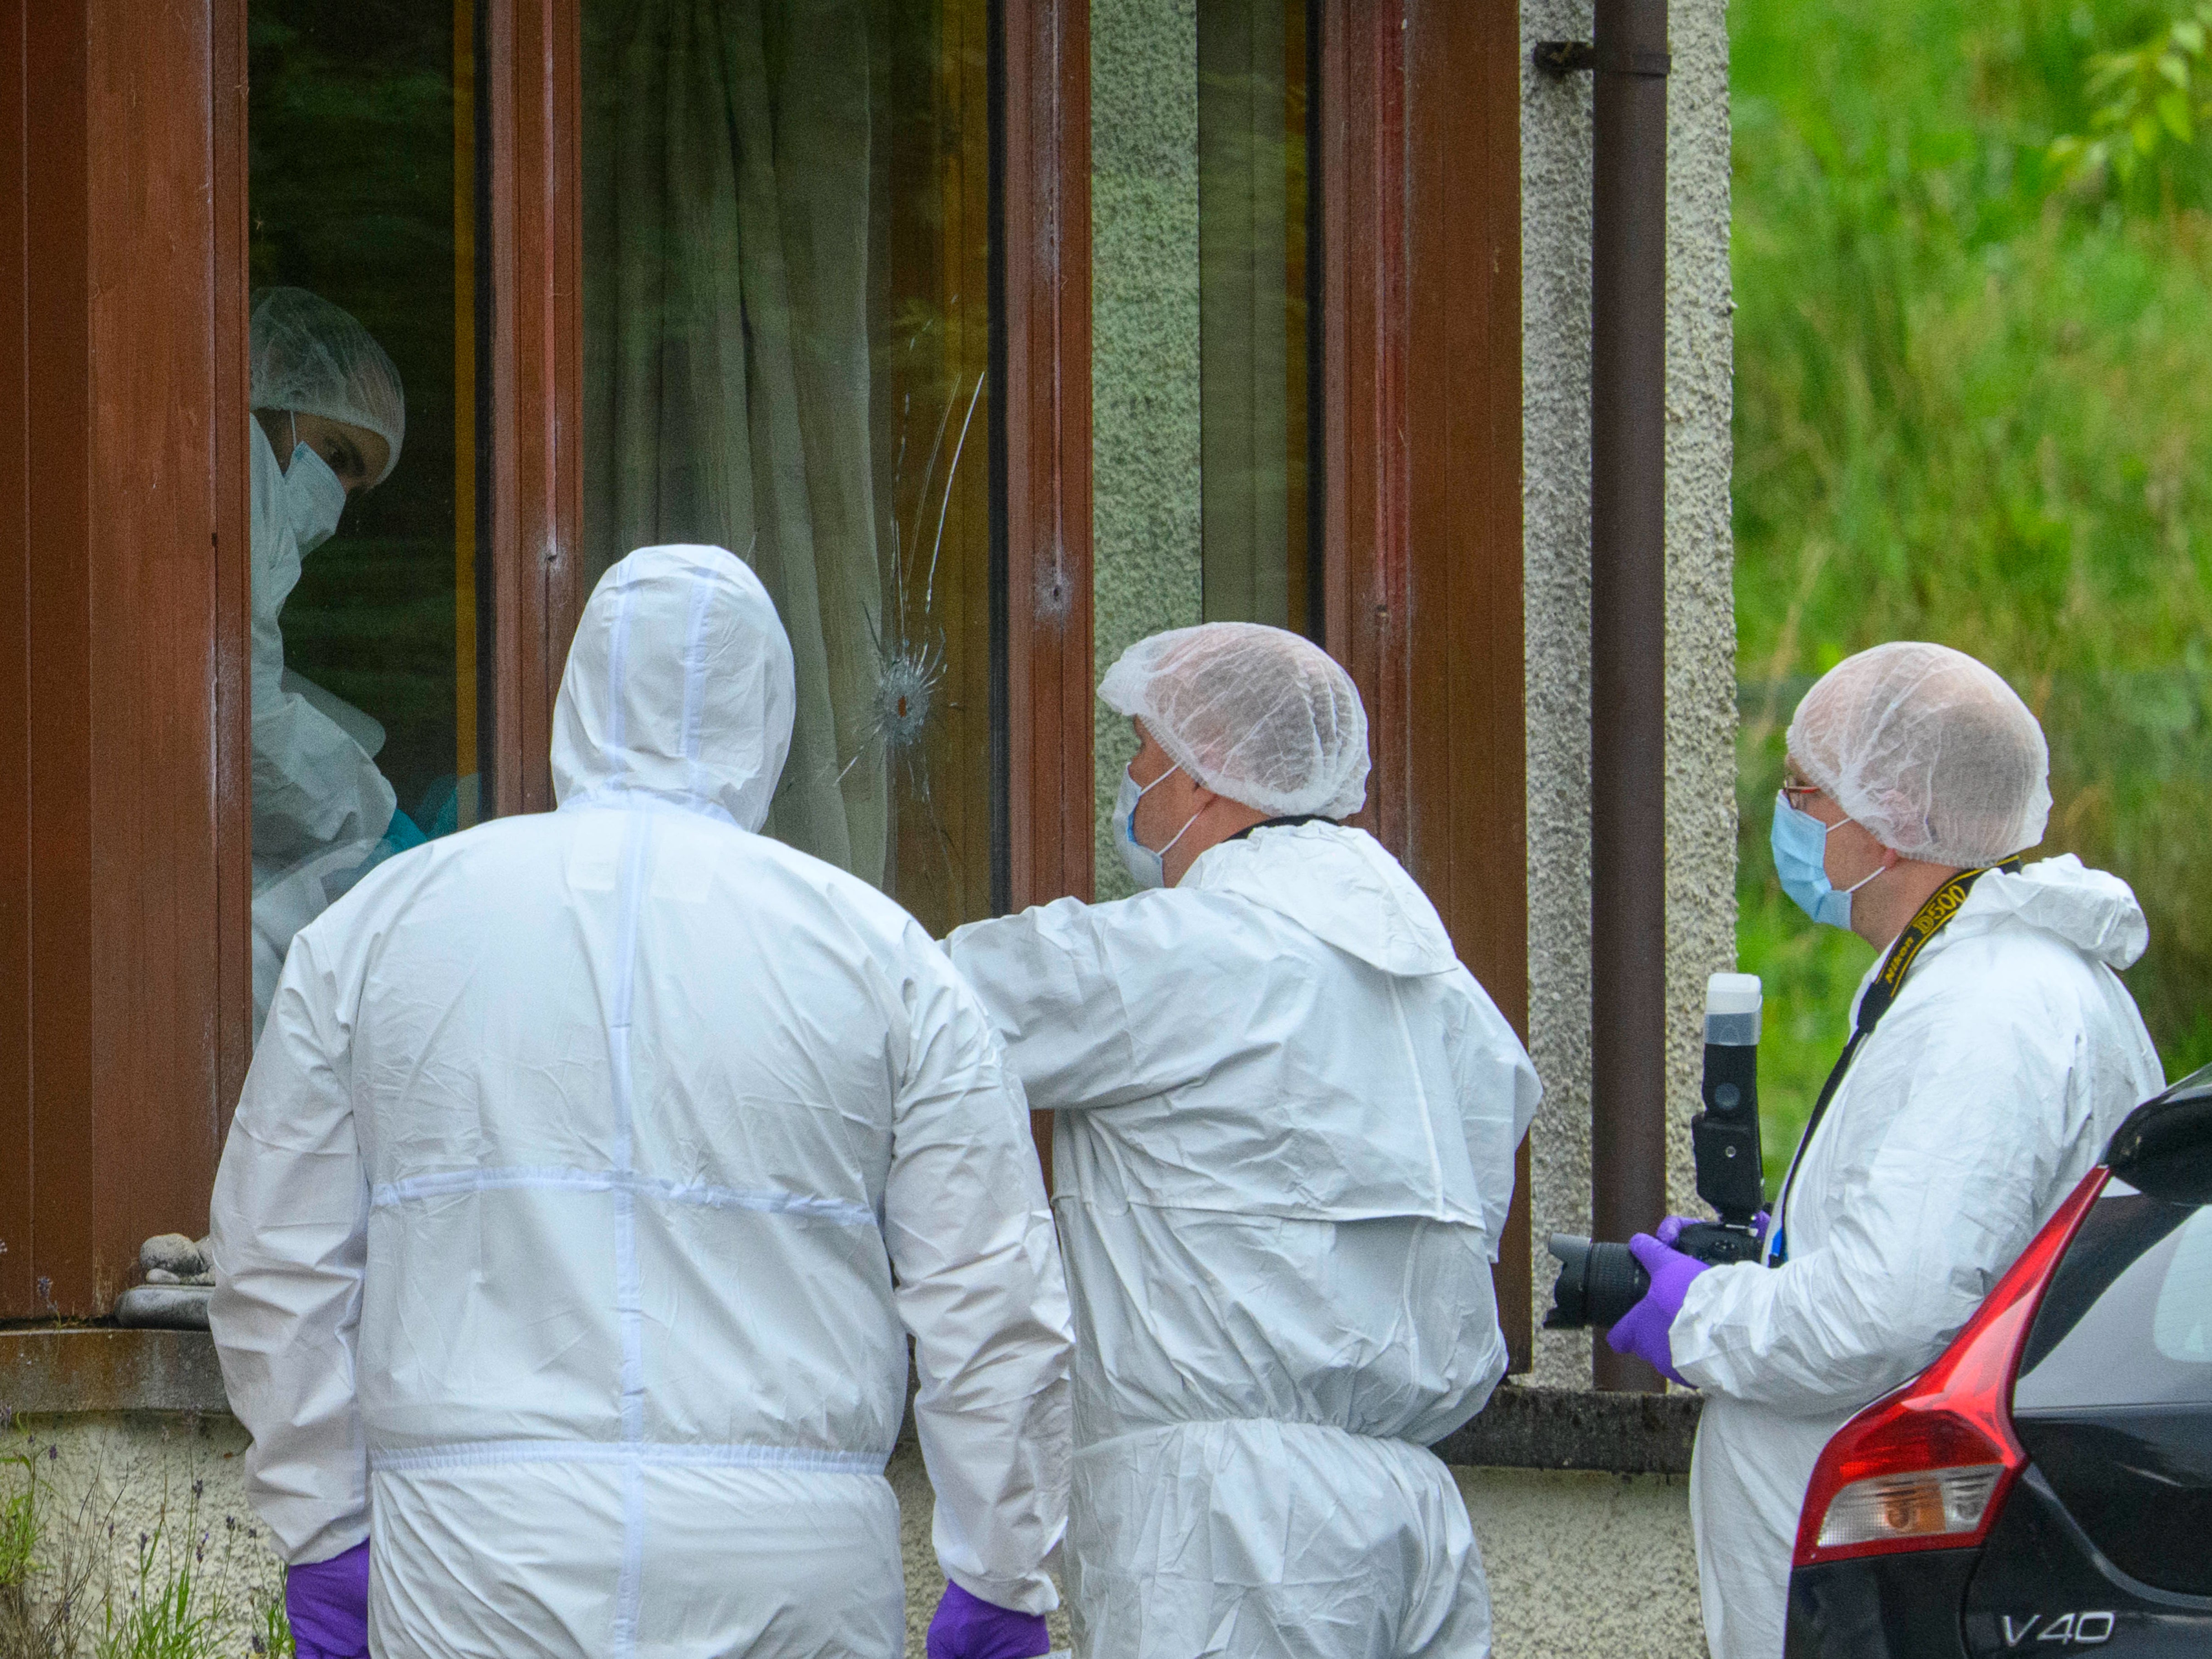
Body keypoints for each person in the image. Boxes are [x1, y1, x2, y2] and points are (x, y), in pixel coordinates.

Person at [210, 544, 1073, 1659]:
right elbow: (992, 1292)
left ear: (575, 691)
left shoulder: (380, 926)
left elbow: (274, 1255)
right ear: (769, 714)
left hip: (477, 1554)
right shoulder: (883, 954)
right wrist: (1000, 1575)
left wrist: (322, 1524)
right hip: (786, 1564)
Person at [946, 622, 1542, 1659]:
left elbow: (916, 1009)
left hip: (1223, 1533)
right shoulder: (1444, 997)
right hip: (1408, 1511)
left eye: (1140, 752)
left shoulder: (1186, 954)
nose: (1126, 781)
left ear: (1206, 779)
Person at [1601, 641, 2165, 1659]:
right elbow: (1958, 1252)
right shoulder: (1995, 983)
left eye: (1801, 792)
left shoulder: (1984, 1008)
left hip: (1874, 1593)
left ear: (1892, 818)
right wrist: (1788, 1252)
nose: (1783, 818)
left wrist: (1701, 1314)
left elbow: (1885, 1312)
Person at [246, 286, 412, 1037]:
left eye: (356, 486)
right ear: (272, 380)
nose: (336, 497)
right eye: (336, 456)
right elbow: (241, 726)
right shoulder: (242, 465)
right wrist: (365, 805)